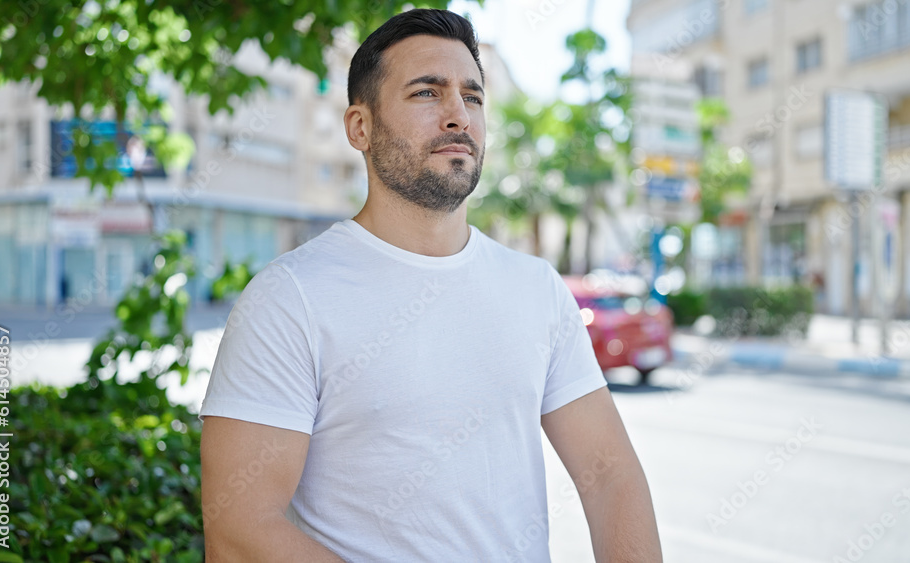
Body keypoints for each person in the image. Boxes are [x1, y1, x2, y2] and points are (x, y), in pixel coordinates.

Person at [199, 8, 662, 562]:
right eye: (426, 93)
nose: (458, 115)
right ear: (359, 127)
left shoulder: (536, 288)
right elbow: (240, 531)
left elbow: (612, 478)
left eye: (473, 96)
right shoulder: (289, 298)